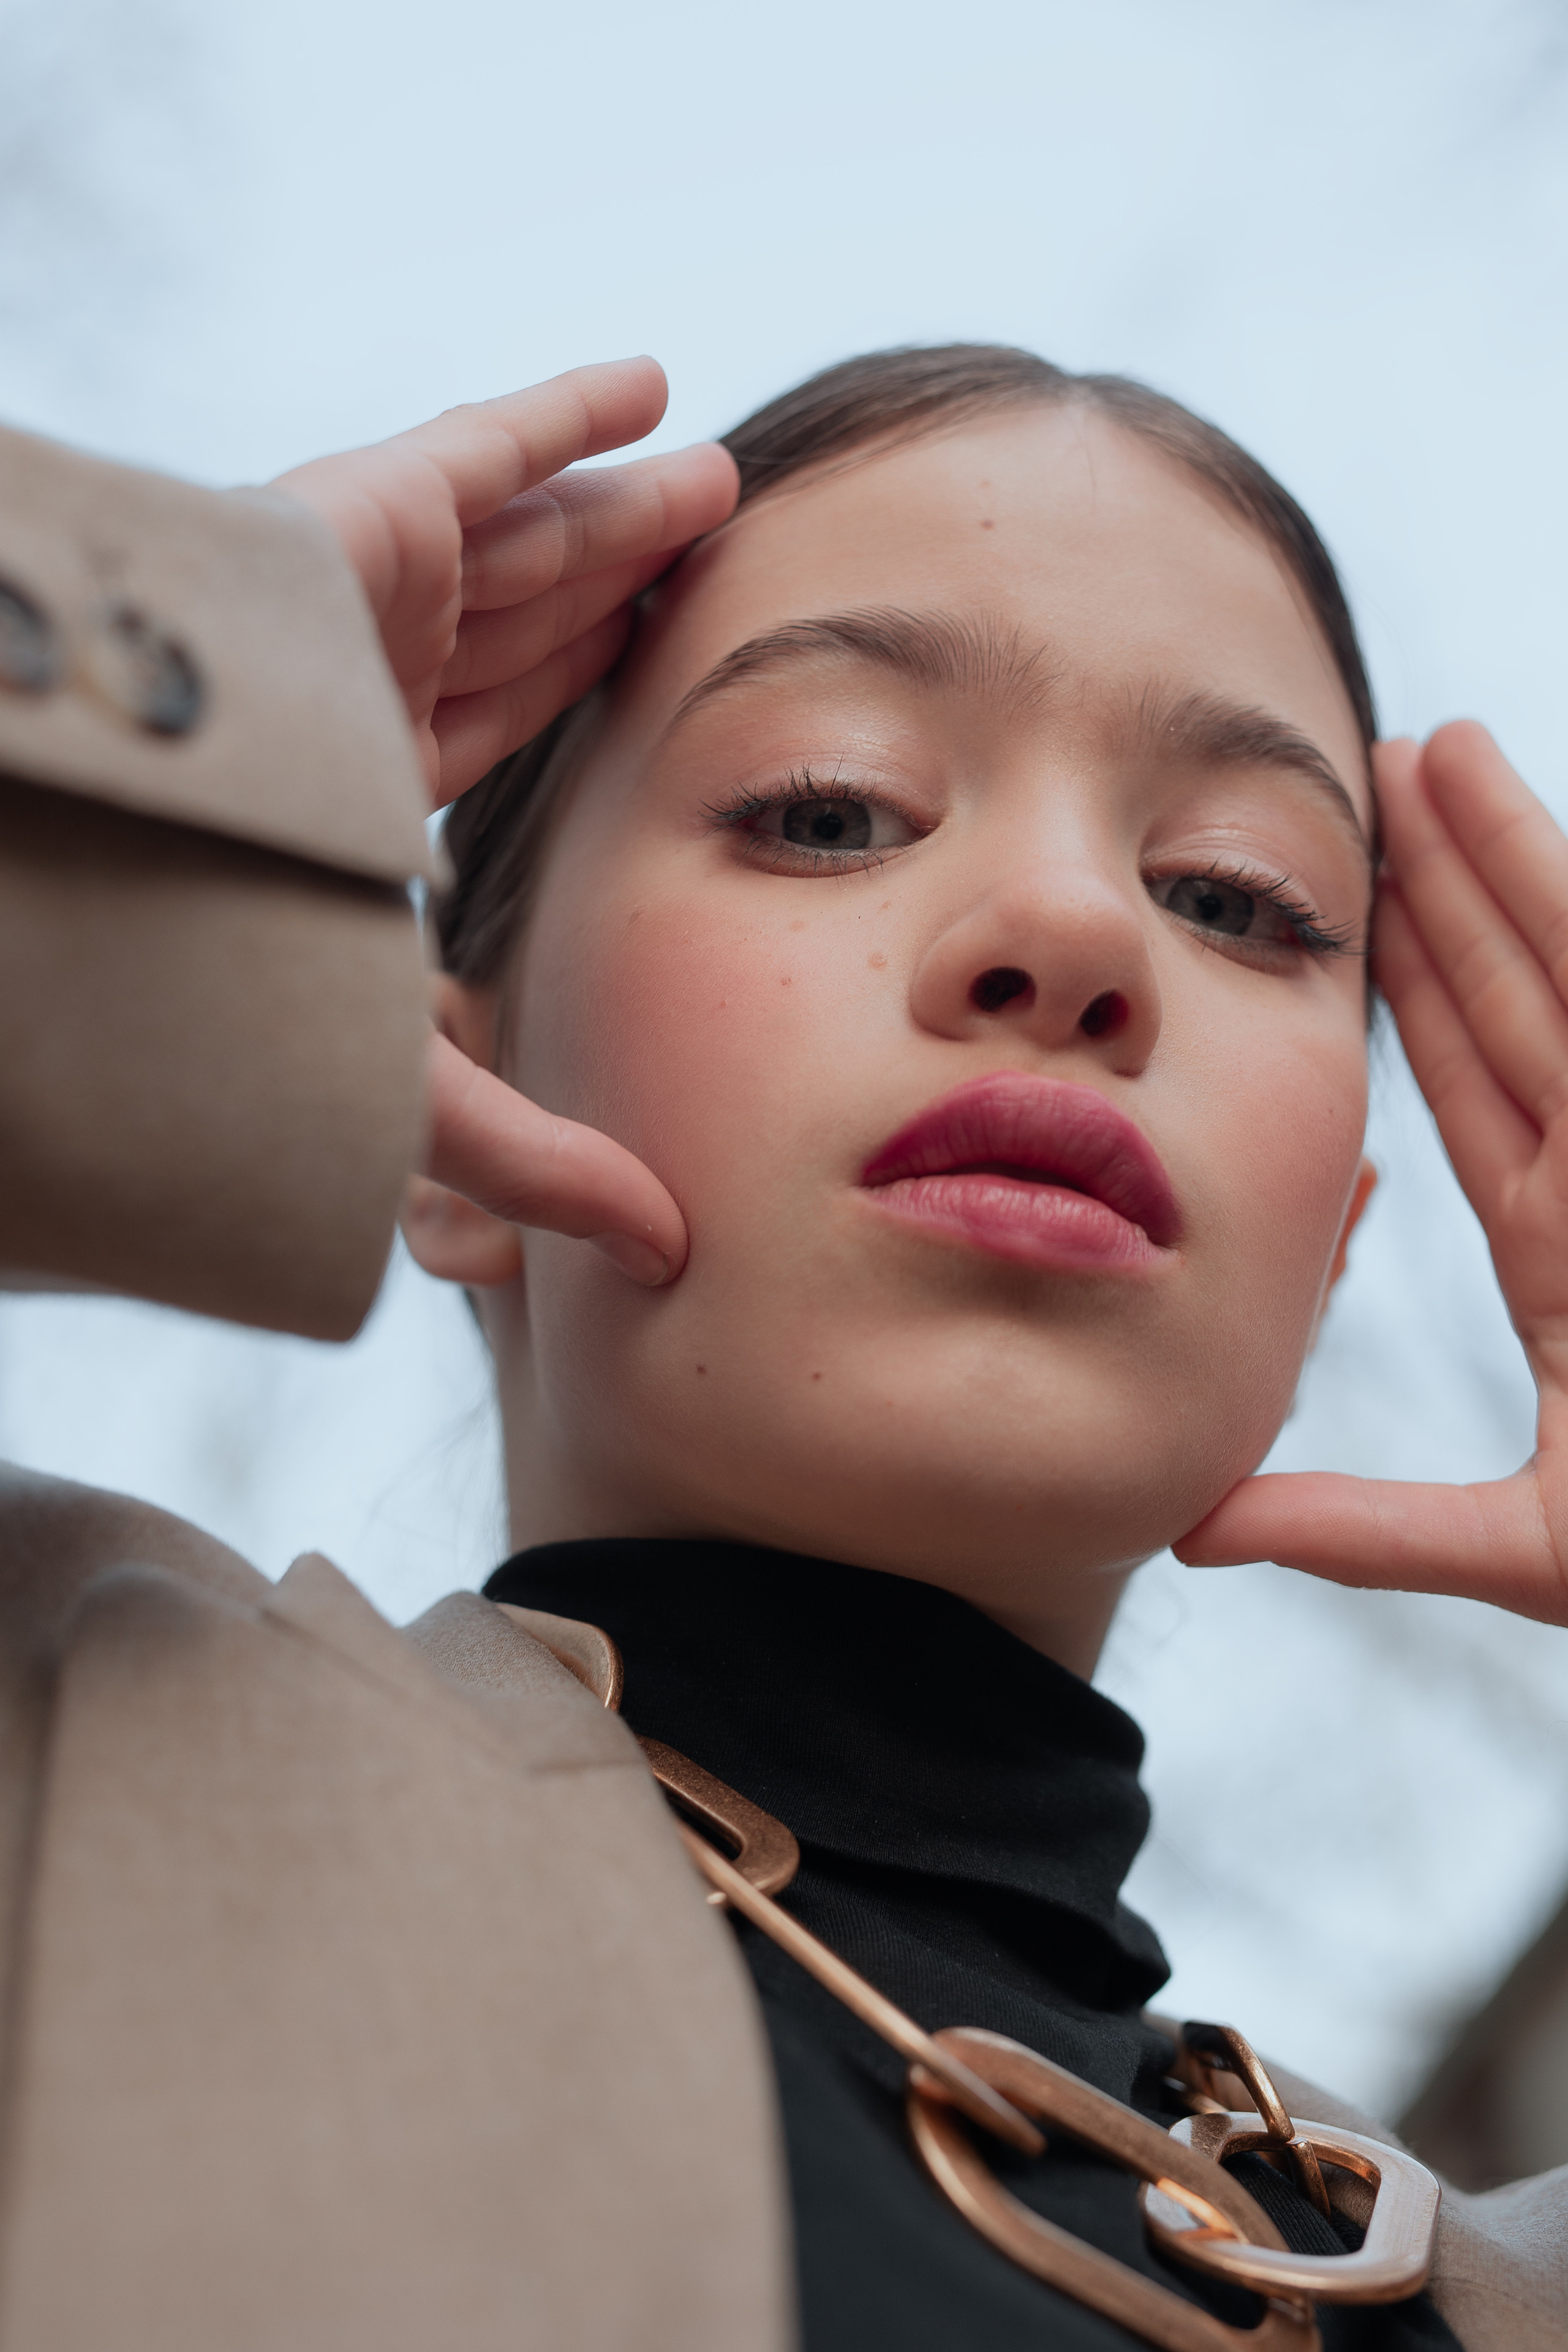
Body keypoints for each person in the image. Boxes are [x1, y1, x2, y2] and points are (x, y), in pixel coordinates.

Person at [1, 347, 1563, 2350]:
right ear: (446, 1098)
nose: (1076, 930)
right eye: (831, 810)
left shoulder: (1466, 2290)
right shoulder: (78, 1786)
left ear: (1333, 1255)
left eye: (1234, 898)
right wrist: (181, 734)